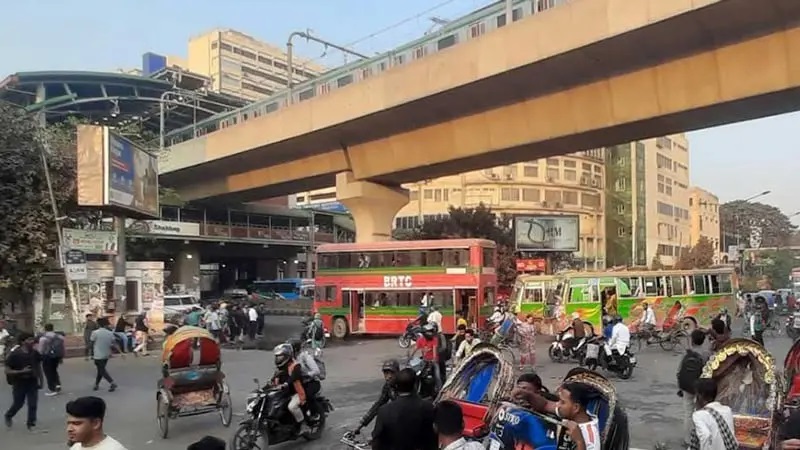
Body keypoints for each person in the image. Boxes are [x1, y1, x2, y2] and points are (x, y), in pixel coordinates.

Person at [515, 381, 601, 450]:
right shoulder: (571, 413)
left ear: (576, 407)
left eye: (562, 402)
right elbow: (545, 405)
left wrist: (579, 441)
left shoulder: (591, 439)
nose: (558, 404)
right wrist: (527, 394)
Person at [372, 368, 437, 450]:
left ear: (396, 386)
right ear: (415, 385)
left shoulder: (384, 411)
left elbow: (377, 441)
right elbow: (433, 436)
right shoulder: (428, 407)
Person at [4, 332, 42, 430]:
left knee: (33, 404)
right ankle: (9, 415)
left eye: (32, 339)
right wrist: (21, 371)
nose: (32, 341)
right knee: (18, 404)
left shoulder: (35, 353)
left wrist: (41, 380)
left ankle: (31, 423)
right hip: (19, 383)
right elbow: (7, 371)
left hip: (32, 381)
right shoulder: (15, 355)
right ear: (22, 342)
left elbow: (38, 366)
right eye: (29, 339)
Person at [677, 330, 710, 440]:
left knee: (688, 413)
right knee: (701, 412)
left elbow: (679, 371)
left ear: (692, 340)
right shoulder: (706, 354)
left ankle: (688, 439)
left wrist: (680, 386)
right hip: (700, 387)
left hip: (687, 387)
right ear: (703, 340)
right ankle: (700, 437)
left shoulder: (687, 354)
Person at [271, 343, 311, 434]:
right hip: (284, 393)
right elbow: (273, 380)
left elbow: (294, 376)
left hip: (296, 393)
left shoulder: (296, 365)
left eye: (280, 356)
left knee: (292, 407)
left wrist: (285, 384)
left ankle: (303, 425)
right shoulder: (279, 369)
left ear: (287, 356)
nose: (278, 359)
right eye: (277, 357)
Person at [688, 378, 737, 450]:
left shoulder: (699, 415)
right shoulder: (727, 410)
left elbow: (705, 436)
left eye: (696, 395)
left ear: (700, 396)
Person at [354, 359, 399, 434]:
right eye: (386, 373)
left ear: (397, 373)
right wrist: (361, 424)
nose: (389, 376)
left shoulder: (405, 384)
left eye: (392, 373)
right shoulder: (388, 386)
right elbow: (379, 404)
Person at [90, 317, 121, 392]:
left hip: (98, 354)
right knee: (100, 370)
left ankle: (112, 382)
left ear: (98, 324)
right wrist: (121, 352)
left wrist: (91, 354)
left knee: (101, 370)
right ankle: (96, 384)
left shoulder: (95, 333)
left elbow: (91, 343)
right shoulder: (110, 333)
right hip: (106, 354)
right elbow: (114, 344)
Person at [410, 323, 442, 393]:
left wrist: (434, 359)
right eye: (429, 332)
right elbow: (415, 348)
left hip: (433, 361)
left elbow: (434, 349)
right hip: (424, 361)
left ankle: (440, 391)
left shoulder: (434, 339)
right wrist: (410, 356)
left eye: (431, 331)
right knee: (417, 375)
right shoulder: (420, 340)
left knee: (437, 377)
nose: (430, 333)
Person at [38, 323, 64, 396]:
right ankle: (58, 384)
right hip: (56, 356)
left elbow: (41, 350)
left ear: (45, 328)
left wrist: (39, 356)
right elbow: (62, 347)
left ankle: (52, 388)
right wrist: (61, 357)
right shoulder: (59, 336)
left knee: (48, 372)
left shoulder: (43, 338)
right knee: (54, 370)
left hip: (47, 357)